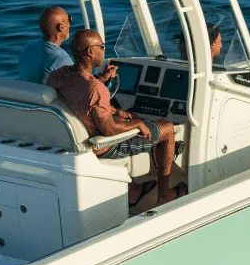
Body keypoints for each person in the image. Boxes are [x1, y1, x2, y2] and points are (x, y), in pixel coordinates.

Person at [49, 29, 178, 205]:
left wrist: (114, 106)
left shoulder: (58, 75)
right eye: (101, 47)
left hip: (76, 139)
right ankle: (164, 195)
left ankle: (134, 191)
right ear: (90, 51)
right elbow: (109, 130)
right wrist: (137, 124)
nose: (104, 50)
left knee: (126, 118)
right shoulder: (95, 89)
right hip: (104, 145)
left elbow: (80, 98)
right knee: (168, 129)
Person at [15, 5, 74, 85]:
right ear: (61, 27)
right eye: (69, 19)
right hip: (44, 97)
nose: (70, 24)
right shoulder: (61, 59)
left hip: (24, 95)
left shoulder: (28, 48)